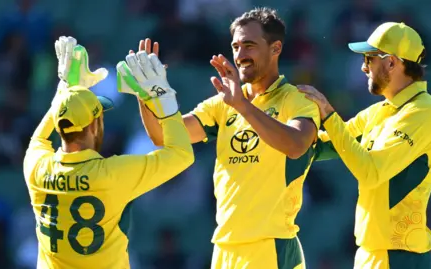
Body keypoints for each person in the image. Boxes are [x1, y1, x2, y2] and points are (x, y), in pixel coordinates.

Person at [132, 7, 321, 269]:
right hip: (225, 248)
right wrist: (147, 94)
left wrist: (243, 106)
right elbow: (163, 136)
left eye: (249, 45)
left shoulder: (298, 99)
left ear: (276, 48)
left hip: (270, 247)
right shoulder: (223, 104)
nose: (240, 55)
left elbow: (297, 145)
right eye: (236, 46)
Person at [22, 36, 194, 269]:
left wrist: (65, 89)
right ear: (94, 126)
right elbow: (182, 153)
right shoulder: (114, 173)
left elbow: (39, 138)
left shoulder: (37, 167)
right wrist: (162, 97)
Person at [297, 22, 431, 269]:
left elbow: (371, 172)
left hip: (402, 257)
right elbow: (329, 144)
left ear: (391, 62)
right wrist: (274, 132)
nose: (363, 66)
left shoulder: (423, 112)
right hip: (374, 254)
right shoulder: (380, 111)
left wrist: (327, 114)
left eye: (370, 58)